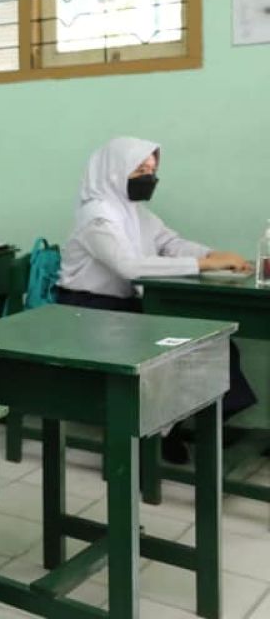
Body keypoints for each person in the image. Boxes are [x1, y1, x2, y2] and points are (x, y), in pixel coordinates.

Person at [57, 136, 257, 459]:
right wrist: (205, 264)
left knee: (212, 344)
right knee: (174, 353)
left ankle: (165, 429)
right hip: (89, 312)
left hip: (129, 309)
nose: (149, 177)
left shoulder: (137, 213)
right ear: (115, 170)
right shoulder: (96, 216)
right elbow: (129, 267)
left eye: (152, 169)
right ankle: (148, 438)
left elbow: (171, 243)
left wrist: (214, 253)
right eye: (140, 169)